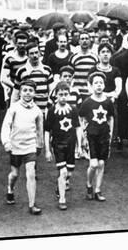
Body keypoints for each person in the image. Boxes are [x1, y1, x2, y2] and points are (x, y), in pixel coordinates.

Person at [1, 80, 44, 215]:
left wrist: (40, 144)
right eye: (25, 90)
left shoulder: (37, 111)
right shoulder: (13, 108)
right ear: (20, 92)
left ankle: (32, 205)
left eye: (30, 90)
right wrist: (6, 142)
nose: (27, 93)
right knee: (14, 174)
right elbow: (6, 126)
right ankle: (10, 189)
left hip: (30, 146)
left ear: (34, 93)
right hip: (15, 146)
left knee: (31, 174)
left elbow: (39, 130)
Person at [79, 72, 115, 202]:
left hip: (104, 136)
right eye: (96, 83)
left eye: (101, 83)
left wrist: (110, 133)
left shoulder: (108, 102)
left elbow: (111, 118)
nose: (99, 85)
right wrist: (83, 135)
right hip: (92, 136)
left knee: (101, 163)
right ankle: (89, 185)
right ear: (91, 85)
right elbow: (81, 118)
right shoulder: (87, 102)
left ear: (104, 85)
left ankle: (98, 190)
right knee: (93, 164)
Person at [44, 82, 80, 210]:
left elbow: (78, 128)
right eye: (61, 94)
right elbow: (47, 131)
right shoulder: (52, 111)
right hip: (58, 145)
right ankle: (62, 199)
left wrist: (79, 146)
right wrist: (47, 150)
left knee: (69, 172)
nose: (63, 97)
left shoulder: (74, 110)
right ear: (56, 95)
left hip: (71, 144)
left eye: (66, 94)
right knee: (63, 171)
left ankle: (60, 186)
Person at [13, 42, 54, 116]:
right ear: (27, 55)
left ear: (39, 53)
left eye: (36, 52)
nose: (35, 56)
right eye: (31, 53)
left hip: (44, 110)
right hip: (27, 111)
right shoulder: (22, 71)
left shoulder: (47, 70)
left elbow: (51, 91)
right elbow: (15, 94)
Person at [1, 32, 29, 105]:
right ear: (16, 44)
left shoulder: (30, 56)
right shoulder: (10, 57)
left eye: (24, 43)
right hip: (15, 90)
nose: (22, 45)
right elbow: (4, 78)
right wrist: (16, 87)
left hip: (29, 90)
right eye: (20, 43)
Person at [69, 31, 99, 101]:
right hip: (77, 92)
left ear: (89, 41)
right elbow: (70, 75)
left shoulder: (95, 58)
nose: (84, 41)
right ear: (79, 41)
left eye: (86, 38)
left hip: (90, 93)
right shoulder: (73, 58)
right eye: (82, 39)